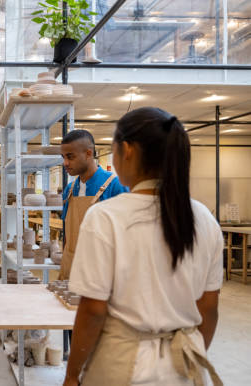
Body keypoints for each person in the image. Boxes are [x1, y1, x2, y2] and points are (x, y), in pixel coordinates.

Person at [63, 107, 223, 386]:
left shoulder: (106, 216)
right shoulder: (205, 219)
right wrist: (189, 354)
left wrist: (71, 374)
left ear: (127, 151)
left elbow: (93, 311)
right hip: (184, 366)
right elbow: (208, 309)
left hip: (122, 363)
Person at [59, 129, 128, 280]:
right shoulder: (69, 190)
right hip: (72, 270)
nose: (65, 163)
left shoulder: (115, 186)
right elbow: (67, 235)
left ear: (89, 154)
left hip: (103, 275)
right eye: (63, 157)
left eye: (70, 157)